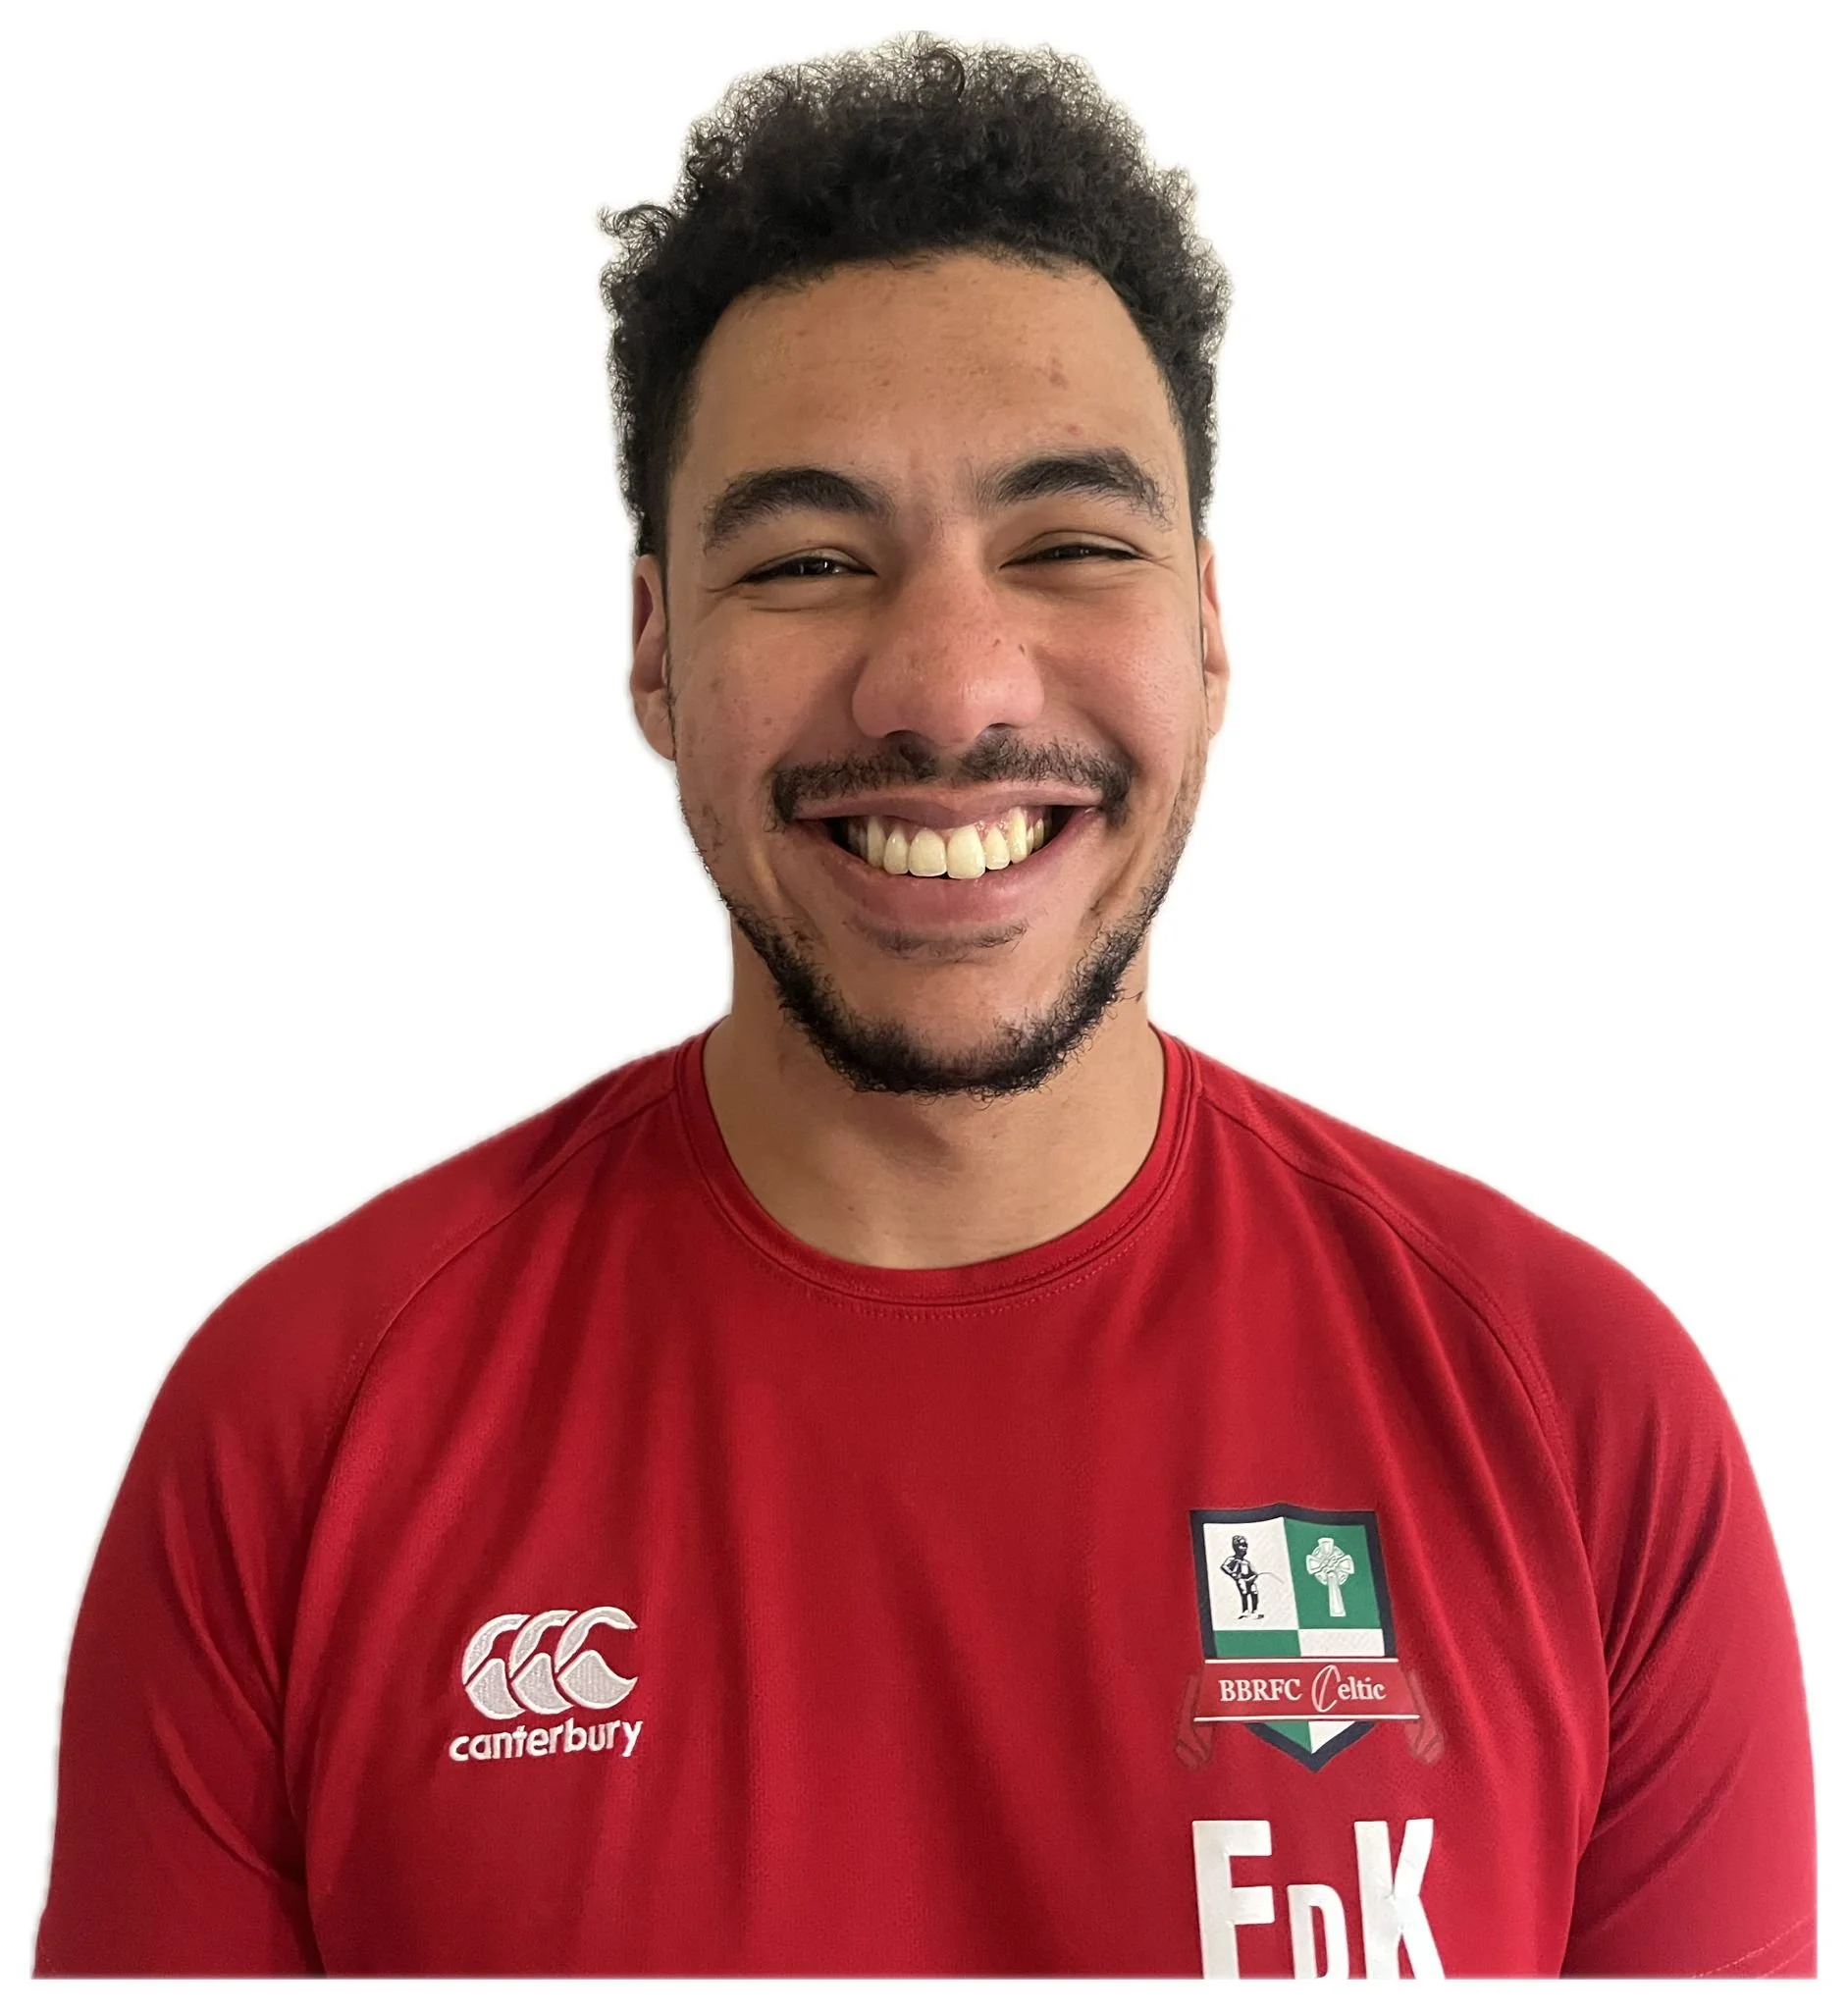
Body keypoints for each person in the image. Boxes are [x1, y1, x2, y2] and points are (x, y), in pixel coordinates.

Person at [34, 35, 1813, 1979]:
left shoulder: (1578, 1423)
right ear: (654, 652)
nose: (949, 688)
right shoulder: (295, 1434)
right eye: (808, 561)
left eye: (1070, 546)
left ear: (1207, 628)